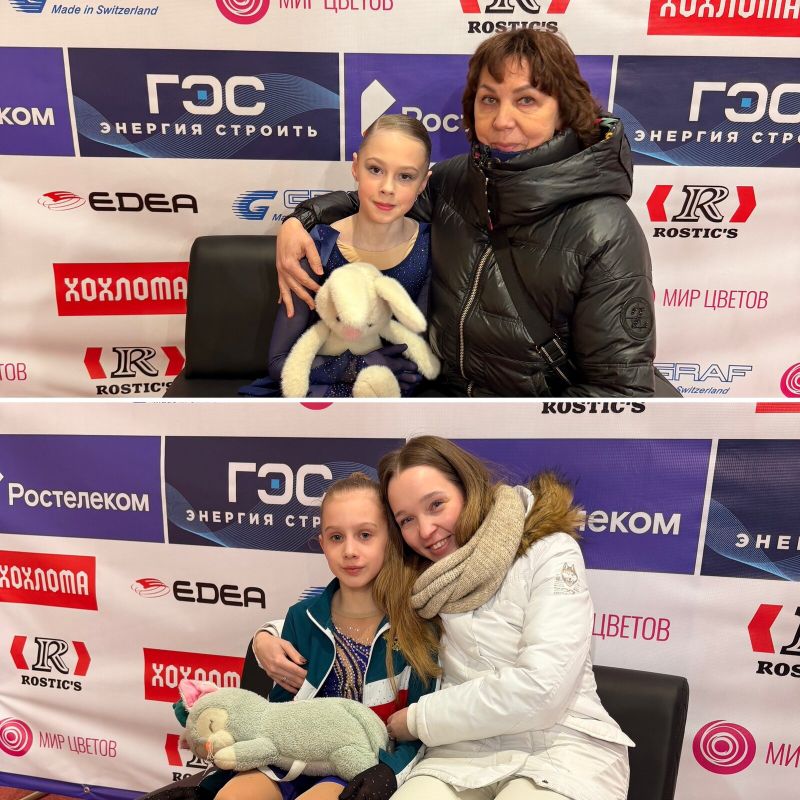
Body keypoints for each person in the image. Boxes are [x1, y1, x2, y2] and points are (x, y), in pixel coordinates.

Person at [273, 30, 657, 397]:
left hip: (524, 422)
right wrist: (300, 220)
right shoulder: (457, 179)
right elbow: (383, 201)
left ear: (563, 111)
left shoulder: (605, 229)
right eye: (489, 99)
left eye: (526, 100)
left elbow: (617, 393)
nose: (502, 120)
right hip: (436, 397)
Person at [255, 437, 633, 800]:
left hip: (559, 748)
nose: (425, 530)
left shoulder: (549, 551)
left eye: (436, 505)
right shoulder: (418, 572)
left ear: (467, 487)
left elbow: (542, 688)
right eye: (406, 519)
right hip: (458, 756)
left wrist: (416, 720)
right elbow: (346, 613)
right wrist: (267, 637)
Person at [223, 472, 439, 800]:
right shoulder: (301, 617)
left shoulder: (416, 623)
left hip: (362, 766)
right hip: (293, 760)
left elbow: (420, 726)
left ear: (391, 539)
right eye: (336, 537)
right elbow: (277, 714)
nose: (350, 550)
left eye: (365, 535)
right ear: (322, 543)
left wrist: (388, 773)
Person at [241, 114, 433, 398]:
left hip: (390, 398)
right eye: (375, 169)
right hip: (319, 395)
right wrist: (356, 366)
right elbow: (279, 362)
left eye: (405, 176)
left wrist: (391, 375)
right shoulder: (319, 245)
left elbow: (415, 355)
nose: (387, 188)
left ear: (423, 183)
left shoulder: (428, 247)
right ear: (355, 167)